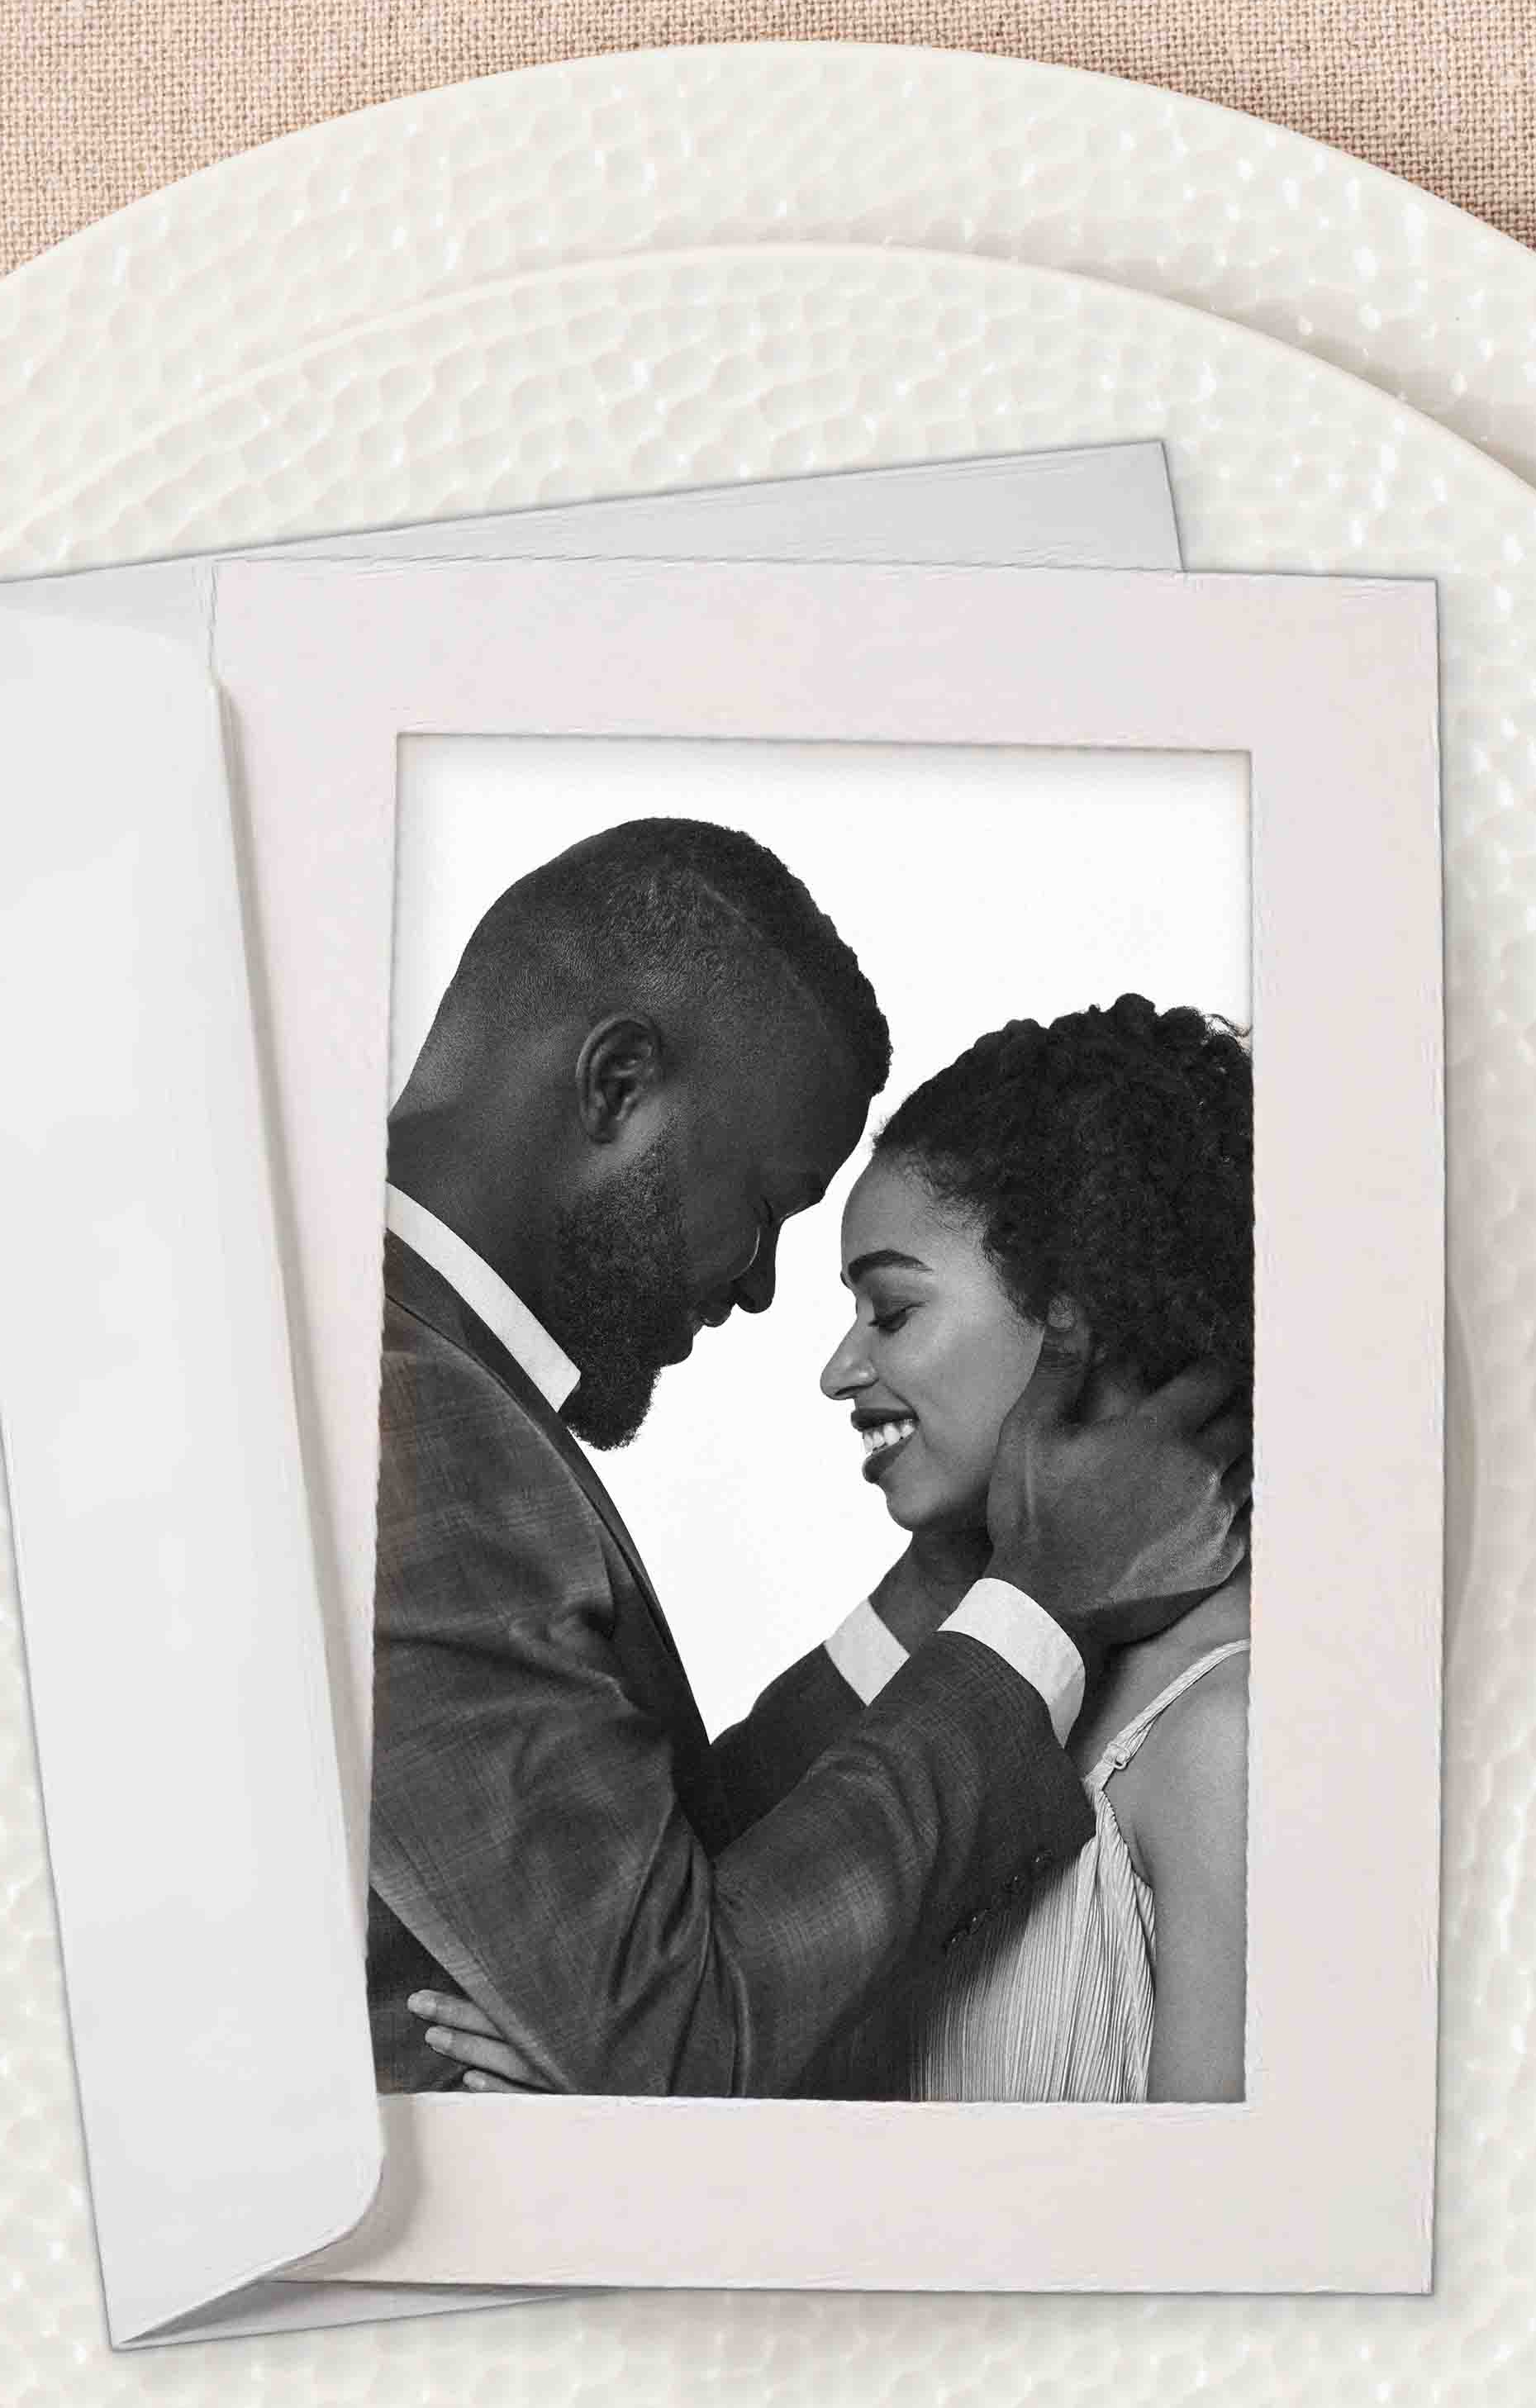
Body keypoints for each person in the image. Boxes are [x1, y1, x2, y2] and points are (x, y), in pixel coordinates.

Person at [362, 822, 1240, 2097]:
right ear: (616, 1085)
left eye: (889, 1306)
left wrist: (956, 1581)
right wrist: (1035, 1607)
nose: (765, 1291)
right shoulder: (406, 1411)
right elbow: (670, 2034)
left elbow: (652, 1889)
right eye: (767, 1205)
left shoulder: (406, 1370)